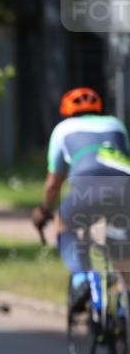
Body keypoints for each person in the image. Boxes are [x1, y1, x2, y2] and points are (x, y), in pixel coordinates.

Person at [31, 87, 130, 311]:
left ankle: (81, 279)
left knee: (63, 224)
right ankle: (126, 306)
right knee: (122, 243)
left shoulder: (62, 129)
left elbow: (53, 184)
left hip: (87, 186)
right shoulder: (116, 124)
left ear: (66, 111)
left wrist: (43, 211)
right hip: (125, 187)